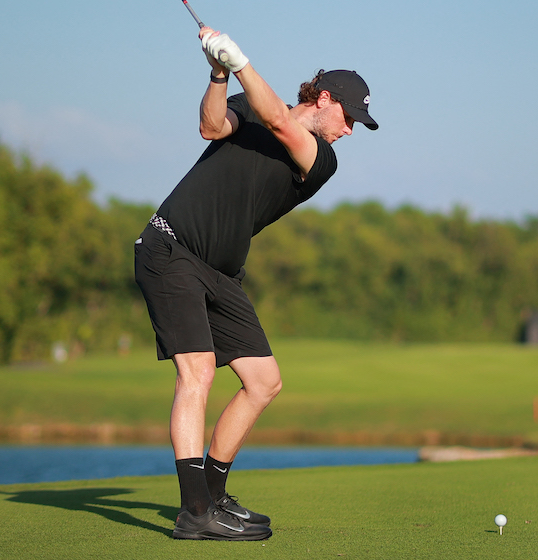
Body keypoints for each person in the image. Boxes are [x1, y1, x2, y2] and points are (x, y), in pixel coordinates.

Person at [134, 26, 377, 541]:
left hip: (221, 273)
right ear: (325, 99)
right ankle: (195, 511)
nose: (351, 130)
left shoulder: (320, 160)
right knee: (197, 373)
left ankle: (214, 496)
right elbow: (210, 125)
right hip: (171, 249)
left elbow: (276, 120)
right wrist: (219, 73)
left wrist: (239, 59)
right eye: (351, 117)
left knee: (264, 381)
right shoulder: (249, 102)